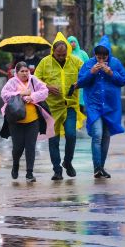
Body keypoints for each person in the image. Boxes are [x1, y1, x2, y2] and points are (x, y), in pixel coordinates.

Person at [35, 33, 85, 181]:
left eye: (64, 54)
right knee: (53, 140)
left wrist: (79, 83)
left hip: (70, 105)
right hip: (51, 108)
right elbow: (35, 81)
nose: (61, 57)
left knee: (71, 135)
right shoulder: (45, 62)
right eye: (58, 55)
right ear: (53, 52)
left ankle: (67, 162)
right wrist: (48, 87)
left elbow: (86, 76)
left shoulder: (75, 62)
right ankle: (57, 170)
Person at [78, 35, 125, 179]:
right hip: (94, 105)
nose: (101, 59)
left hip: (110, 106)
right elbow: (80, 82)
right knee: (97, 135)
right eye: (98, 56)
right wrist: (91, 72)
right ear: (95, 54)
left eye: (104, 56)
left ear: (108, 54)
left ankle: (101, 167)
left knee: (106, 136)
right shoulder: (88, 64)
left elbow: (123, 80)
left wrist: (110, 73)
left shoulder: (115, 63)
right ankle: (97, 167)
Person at [0, 61, 55, 183]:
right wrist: (20, 94)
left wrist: (33, 96)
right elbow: (4, 95)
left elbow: (44, 91)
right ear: (17, 72)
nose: (25, 74)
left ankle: (29, 173)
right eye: (22, 71)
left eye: (27, 71)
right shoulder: (12, 82)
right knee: (18, 148)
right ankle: (15, 166)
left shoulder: (34, 80)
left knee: (30, 147)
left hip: (33, 121)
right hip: (16, 121)